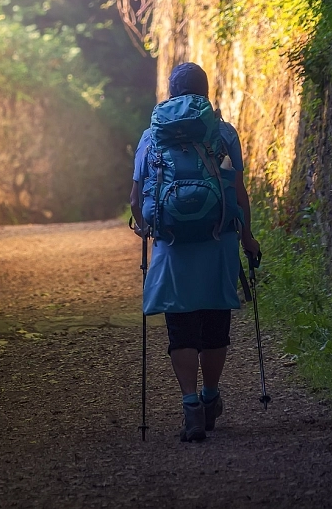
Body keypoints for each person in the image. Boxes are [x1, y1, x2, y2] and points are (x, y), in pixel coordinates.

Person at [129, 62, 260, 442]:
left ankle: (190, 407)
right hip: (218, 242)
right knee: (215, 323)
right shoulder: (222, 133)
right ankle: (211, 397)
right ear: (206, 93)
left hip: (172, 247)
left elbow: (136, 198)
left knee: (181, 327)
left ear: (170, 94)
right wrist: (247, 237)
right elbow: (238, 192)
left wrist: (145, 226)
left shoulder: (151, 137)